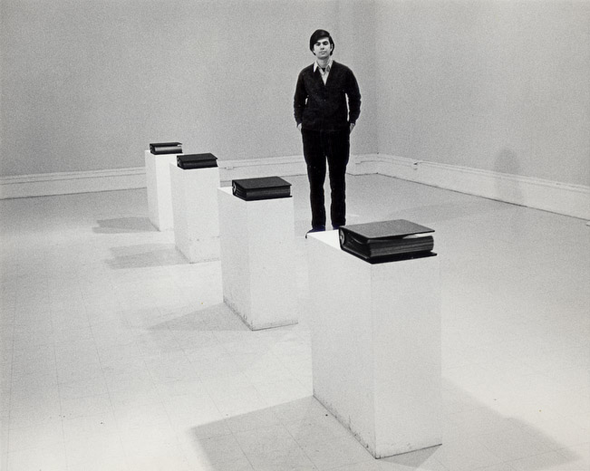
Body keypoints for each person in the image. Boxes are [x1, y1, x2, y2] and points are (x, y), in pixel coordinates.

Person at [294, 29, 361, 237]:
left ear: (331, 47)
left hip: (338, 135)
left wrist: (351, 121)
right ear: (312, 49)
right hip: (312, 135)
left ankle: (339, 226)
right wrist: (300, 123)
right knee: (315, 182)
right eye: (318, 44)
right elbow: (298, 101)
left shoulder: (344, 72)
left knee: (337, 181)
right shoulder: (305, 75)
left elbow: (355, 97)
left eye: (325, 43)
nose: (322, 47)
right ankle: (318, 227)